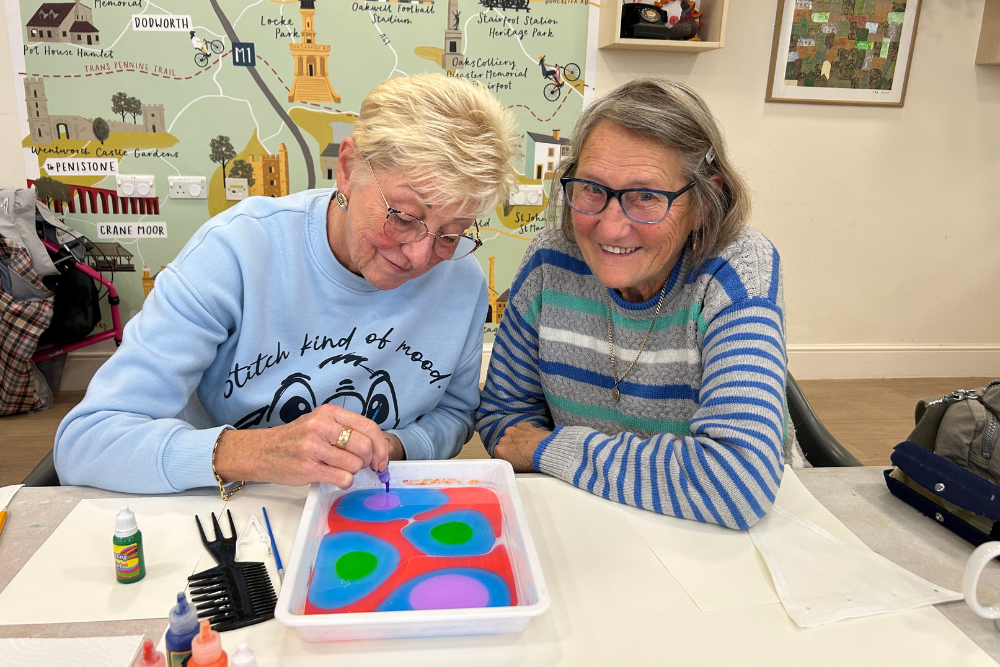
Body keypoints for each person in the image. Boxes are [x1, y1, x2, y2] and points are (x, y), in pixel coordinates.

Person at [55, 73, 520, 494]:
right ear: (349, 167)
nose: (420, 255)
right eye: (403, 217)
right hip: (227, 510)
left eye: (452, 233)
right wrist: (253, 453)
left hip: (368, 512)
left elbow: (455, 415)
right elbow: (87, 441)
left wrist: (395, 446)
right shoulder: (236, 252)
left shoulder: (461, 279)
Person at [477, 78, 806, 531]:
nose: (610, 228)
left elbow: (738, 481)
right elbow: (504, 416)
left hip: (729, 536)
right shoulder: (550, 259)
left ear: (704, 203)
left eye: (647, 196)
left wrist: (549, 449)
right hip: (589, 516)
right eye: (592, 188)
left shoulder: (738, 269)